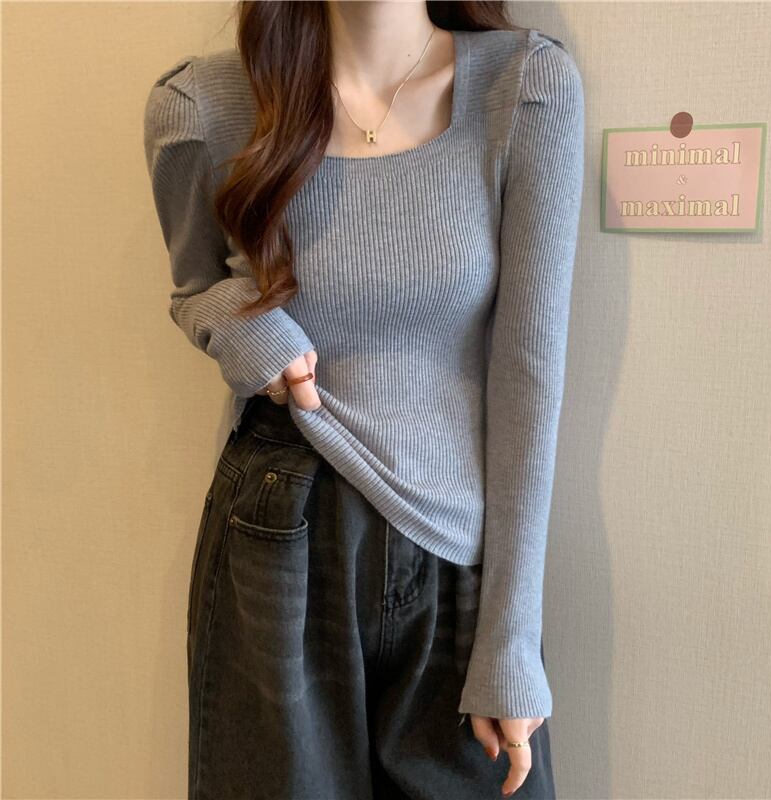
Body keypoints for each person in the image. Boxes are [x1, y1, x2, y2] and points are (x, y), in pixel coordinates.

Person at [143, 1, 584, 798]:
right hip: (278, 528)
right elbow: (194, 288)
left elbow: (529, 372)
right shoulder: (200, 106)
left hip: (456, 549)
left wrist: (512, 640)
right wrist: (248, 331)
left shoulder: (524, 87)